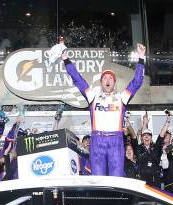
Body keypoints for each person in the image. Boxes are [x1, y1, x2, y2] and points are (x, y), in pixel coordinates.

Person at [62, 42, 146, 176]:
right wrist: (66, 60)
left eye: (110, 78)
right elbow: (78, 80)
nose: (108, 80)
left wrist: (141, 58)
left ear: (114, 83)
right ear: (101, 82)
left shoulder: (121, 97)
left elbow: (137, 82)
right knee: (98, 178)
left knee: (116, 179)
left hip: (116, 141)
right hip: (97, 140)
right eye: (105, 78)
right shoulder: (93, 97)